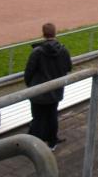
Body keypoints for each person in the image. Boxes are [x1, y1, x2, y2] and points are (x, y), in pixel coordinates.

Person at [25, 23, 72, 151]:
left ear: (43, 34)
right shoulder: (63, 50)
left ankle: (35, 145)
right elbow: (68, 67)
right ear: (55, 33)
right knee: (52, 116)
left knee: (38, 118)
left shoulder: (37, 52)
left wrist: (30, 86)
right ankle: (52, 142)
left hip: (38, 91)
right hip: (55, 91)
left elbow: (28, 72)